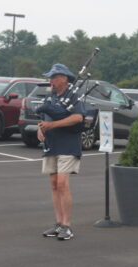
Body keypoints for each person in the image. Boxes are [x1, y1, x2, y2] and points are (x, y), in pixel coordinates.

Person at [38, 63, 85, 241]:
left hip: (68, 144)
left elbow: (78, 117)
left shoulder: (74, 96)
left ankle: (67, 226)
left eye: (53, 77)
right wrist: (40, 128)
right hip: (51, 144)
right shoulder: (49, 96)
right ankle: (58, 224)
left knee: (62, 183)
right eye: (50, 77)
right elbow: (44, 117)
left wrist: (53, 125)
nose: (50, 80)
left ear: (63, 78)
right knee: (54, 184)